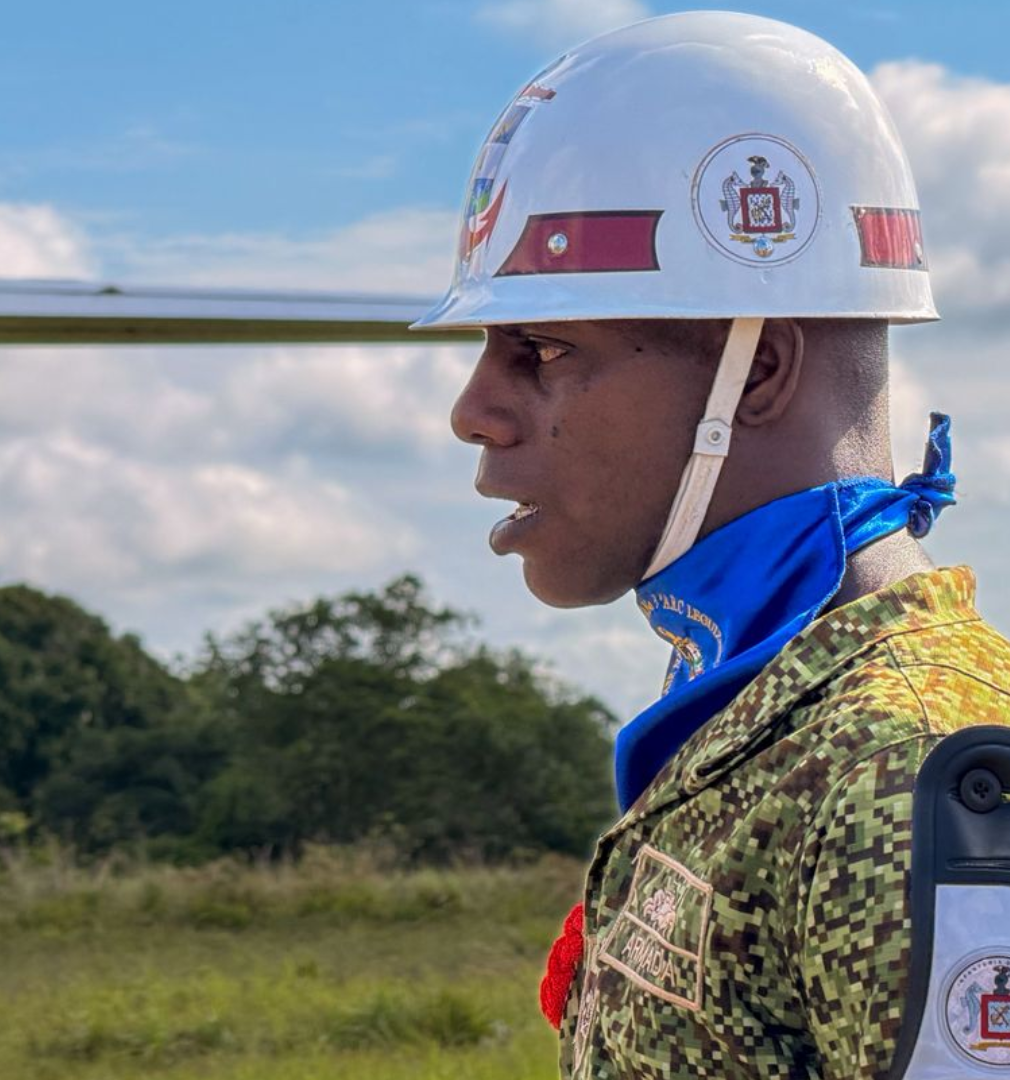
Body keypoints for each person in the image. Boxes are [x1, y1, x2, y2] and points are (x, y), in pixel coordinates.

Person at [416, 12, 1010, 1078]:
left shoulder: (911, 763)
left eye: (541, 351)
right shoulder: (761, 707)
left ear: (763, 372)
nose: (473, 411)